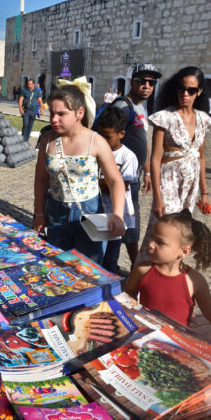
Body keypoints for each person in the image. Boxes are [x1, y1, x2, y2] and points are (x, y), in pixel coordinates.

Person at [33, 82, 126, 264]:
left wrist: (118, 215)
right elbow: (41, 179)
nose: (53, 119)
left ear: (79, 113)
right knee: (58, 265)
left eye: (61, 114)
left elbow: (115, 180)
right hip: (56, 213)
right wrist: (39, 213)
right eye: (52, 113)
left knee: (89, 269)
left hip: (89, 213)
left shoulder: (96, 141)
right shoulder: (47, 140)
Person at [144, 66, 211, 259]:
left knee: (181, 231)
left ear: (199, 92)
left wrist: (204, 193)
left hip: (190, 185)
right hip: (169, 181)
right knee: (162, 230)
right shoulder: (164, 117)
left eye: (191, 90)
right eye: (181, 88)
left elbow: (202, 157)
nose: (185, 94)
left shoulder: (204, 120)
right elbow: (155, 157)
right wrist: (157, 197)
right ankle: (147, 275)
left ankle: (171, 271)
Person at [125, 210, 211, 328]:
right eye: (152, 237)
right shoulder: (142, 269)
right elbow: (129, 292)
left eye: (160, 242)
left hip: (177, 342)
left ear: (184, 252)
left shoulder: (194, 281)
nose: (151, 244)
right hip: (144, 337)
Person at [106, 62, 161, 265]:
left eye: (151, 82)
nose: (147, 85)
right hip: (121, 177)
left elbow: (142, 140)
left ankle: (131, 266)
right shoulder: (123, 106)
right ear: (132, 82)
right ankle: (131, 268)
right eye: (142, 81)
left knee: (130, 222)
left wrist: (146, 170)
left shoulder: (142, 108)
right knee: (125, 220)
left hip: (134, 175)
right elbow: (107, 137)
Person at [96, 107, 138, 274]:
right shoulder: (96, 151)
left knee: (111, 254)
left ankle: (110, 279)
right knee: (97, 250)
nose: (103, 141)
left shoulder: (127, 157)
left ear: (121, 133)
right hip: (98, 213)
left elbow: (121, 185)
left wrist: (96, 182)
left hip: (116, 214)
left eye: (108, 137)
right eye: (100, 135)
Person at [19, 78, 43, 143]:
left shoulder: (37, 91)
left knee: (30, 125)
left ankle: (26, 140)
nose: (29, 85)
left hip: (33, 111)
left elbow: (40, 101)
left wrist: (42, 109)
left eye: (30, 84)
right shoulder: (24, 90)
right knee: (25, 124)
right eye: (28, 84)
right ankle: (23, 139)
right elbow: (20, 100)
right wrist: (20, 108)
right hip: (25, 111)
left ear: (33, 84)